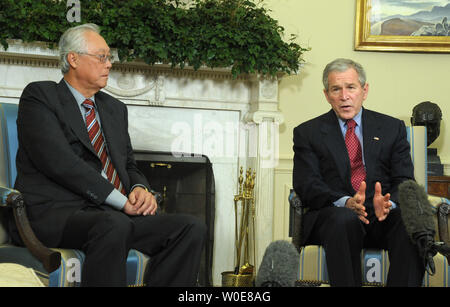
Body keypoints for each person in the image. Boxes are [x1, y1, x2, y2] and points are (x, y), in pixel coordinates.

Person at [9, 23, 206, 287]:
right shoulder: (41, 96)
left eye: (109, 58)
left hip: (110, 217)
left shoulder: (114, 108)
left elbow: (128, 163)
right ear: (73, 59)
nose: (109, 64)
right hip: (56, 215)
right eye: (102, 57)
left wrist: (139, 188)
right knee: (113, 224)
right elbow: (60, 163)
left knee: (190, 228)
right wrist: (120, 201)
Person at [292, 58, 425, 286]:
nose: (344, 96)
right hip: (334, 216)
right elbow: (307, 184)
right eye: (336, 89)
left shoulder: (392, 128)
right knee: (344, 219)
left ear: (364, 90)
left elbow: (404, 180)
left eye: (351, 87)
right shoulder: (308, 132)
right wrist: (345, 202)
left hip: (380, 215)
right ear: (327, 95)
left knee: (409, 221)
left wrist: (388, 203)